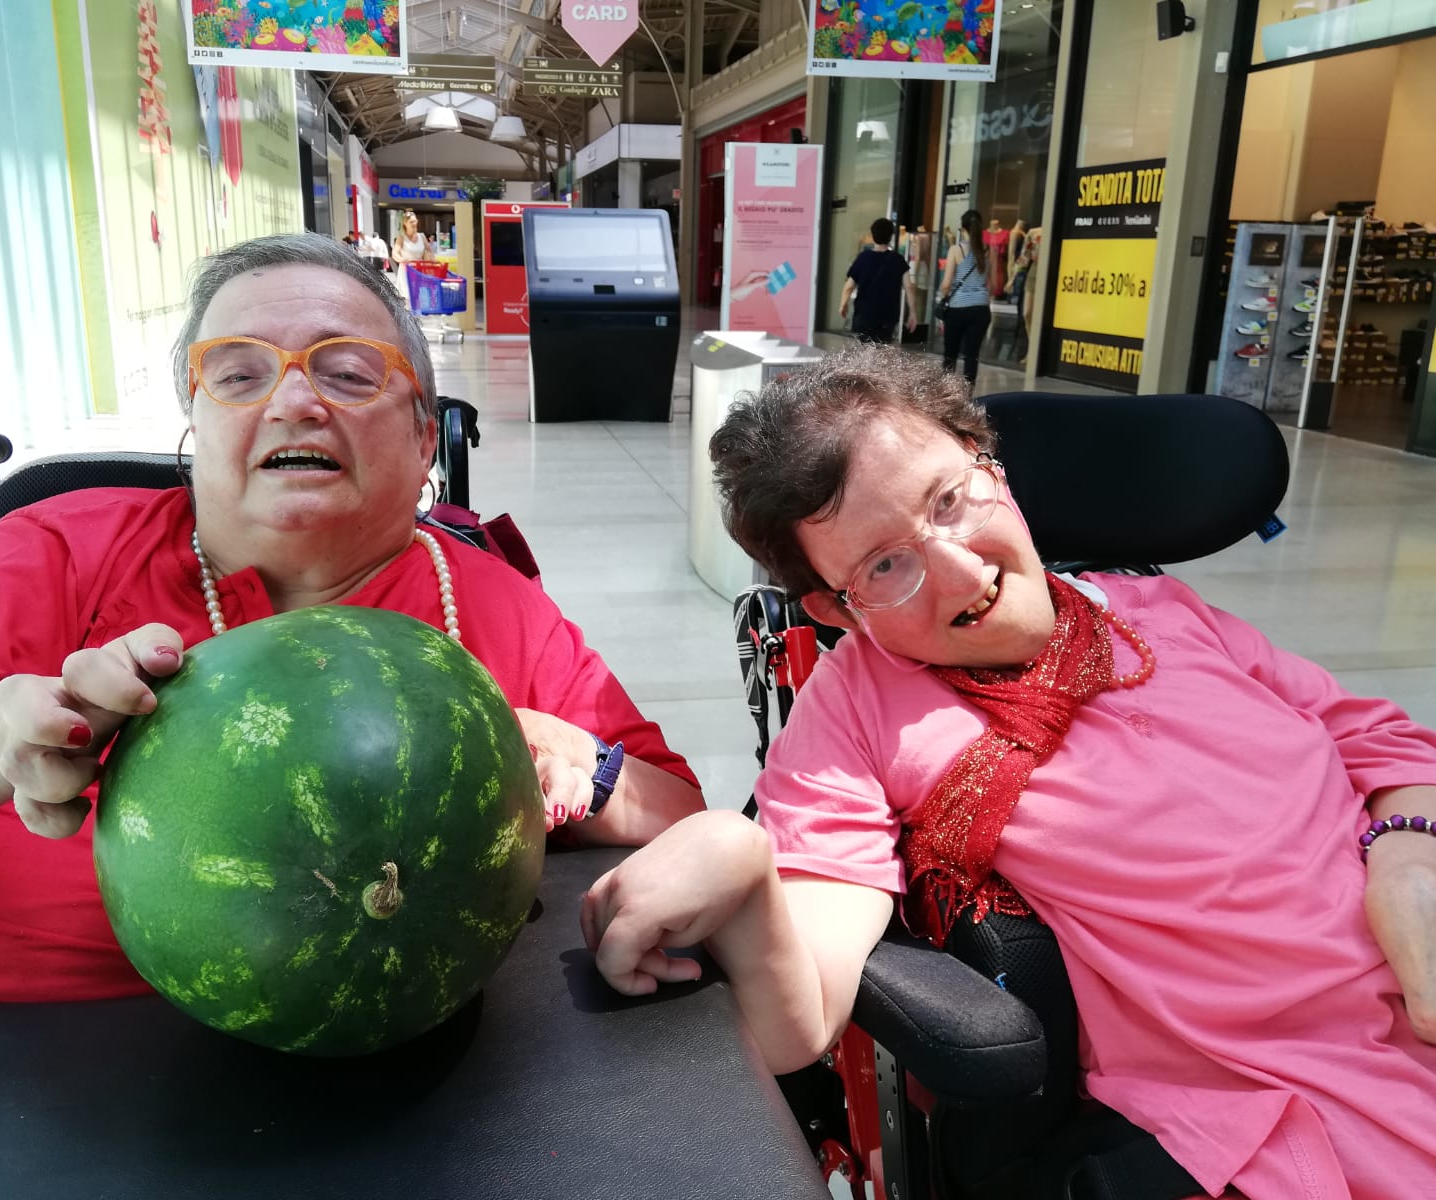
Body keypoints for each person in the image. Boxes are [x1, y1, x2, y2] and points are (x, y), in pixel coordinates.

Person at [581, 343, 1436, 1199]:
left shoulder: (1156, 609)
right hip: (1289, 1103)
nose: (963, 572)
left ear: (988, 464)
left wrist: (1406, 853)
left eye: (950, 500)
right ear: (835, 608)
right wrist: (734, 857)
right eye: (884, 565)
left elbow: (1377, 738)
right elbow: (796, 1025)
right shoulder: (858, 716)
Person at [0, 232, 704, 1004]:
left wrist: (574, 761)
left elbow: (679, 820)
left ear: (422, 440)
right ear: (195, 424)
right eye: (239, 375)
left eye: (348, 373)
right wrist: (4, 735)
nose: (293, 402)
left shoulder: (489, 604)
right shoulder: (59, 549)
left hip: (366, 1052)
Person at [839, 217, 915, 345]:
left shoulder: (863, 258)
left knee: (864, 349)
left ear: (873, 236)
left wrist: (843, 304)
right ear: (890, 236)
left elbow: (849, 286)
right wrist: (913, 312)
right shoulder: (898, 260)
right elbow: (909, 287)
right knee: (882, 349)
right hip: (888, 315)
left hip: (865, 315)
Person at [938, 209, 993, 386]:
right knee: (972, 355)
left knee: (950, 354)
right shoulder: (988, 250)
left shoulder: (956, 250)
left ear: (963, 229)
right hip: (981, 309)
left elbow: (946, 284)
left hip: (957, 308)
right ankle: (968, 394)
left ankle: (946, 393)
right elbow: (991, 283)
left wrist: (944, 296)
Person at [391, 209, 433, 303]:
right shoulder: (401, 238)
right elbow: (395, 253)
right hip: (406, 271)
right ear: (405, 224)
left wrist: (430, 263)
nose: (414, 224)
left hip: (419, 271)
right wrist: (403, 260)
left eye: (415, 221)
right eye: (411, 222)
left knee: (420, 299)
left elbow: (429, 251)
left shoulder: (422, 236)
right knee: (407, 300)